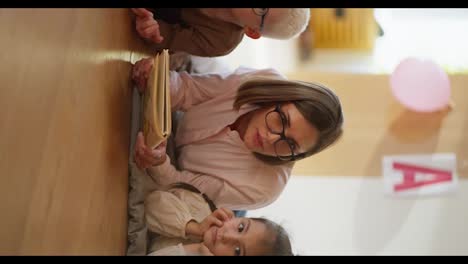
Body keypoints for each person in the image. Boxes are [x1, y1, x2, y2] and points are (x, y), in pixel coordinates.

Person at [131, 57, 344, 210]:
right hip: (177, 125)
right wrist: (157, 82)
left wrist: (159, 164)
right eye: (281, 119)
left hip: (187, 177)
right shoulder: (265, 80)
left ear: (296, 156)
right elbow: (190, 90)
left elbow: (181, 187)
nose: (271, 138)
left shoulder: (263, 189)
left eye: (289, 145)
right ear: (278, 97)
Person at [145, 183, 292, 256]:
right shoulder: (200, 206)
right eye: (240, 227)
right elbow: (150, 203)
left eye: (237, 251)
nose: (227, 236)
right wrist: (192, 227)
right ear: (233, 217)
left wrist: (196, 251)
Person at [131, 8, 311, 57]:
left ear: (252, 31)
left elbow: (167, 38)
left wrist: (151, 29)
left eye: (262, 9)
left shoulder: (221, 42)